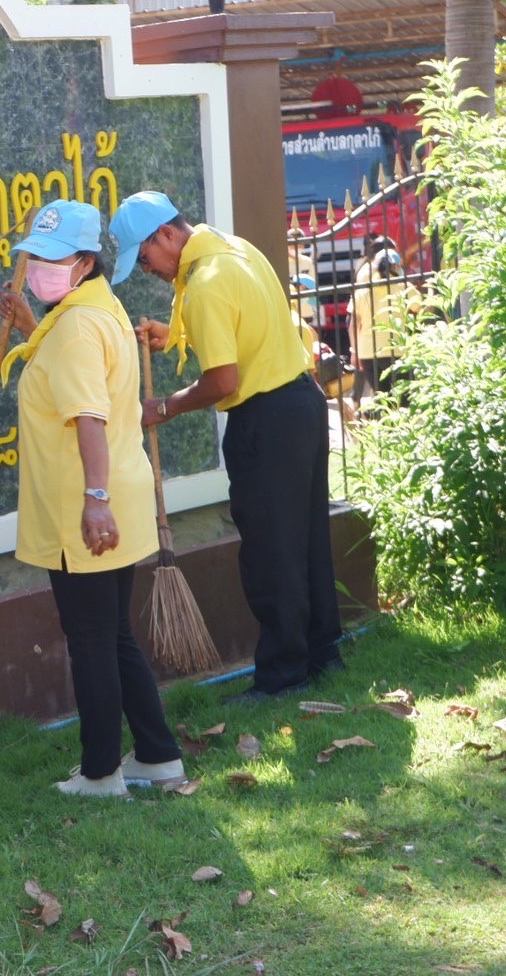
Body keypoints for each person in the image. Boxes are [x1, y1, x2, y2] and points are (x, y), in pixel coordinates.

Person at [112, 191, 343, 704]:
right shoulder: (232, 248)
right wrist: (174, 334)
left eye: (144, 259)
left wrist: (164, 406)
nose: (147, 271)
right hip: (302, 405)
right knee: (305, 539)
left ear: (165, 235)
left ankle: (283, 676)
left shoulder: (205, 284)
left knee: (270, 552)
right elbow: (242, 327)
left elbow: (221, 381)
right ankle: (323, 653)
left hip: (265, 420)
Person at [0, 200, 183, 797]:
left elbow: (88, 417)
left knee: (92, 642)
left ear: (84, 262)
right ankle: (157, 756)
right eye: (36, 256)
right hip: (114, 496)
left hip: (87, 507)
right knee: (113, 635)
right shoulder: (94, 308)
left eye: (55, 260)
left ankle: (101, 773)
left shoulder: (76, 324)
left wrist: (94, 498)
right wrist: (31, 326)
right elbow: (68, 365)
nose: (40, 268)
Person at [347, 234, 413, 403]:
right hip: (396, 348)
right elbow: (421, 307)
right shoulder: (402, 285)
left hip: (368, 349)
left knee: (381, 397)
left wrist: (354, 350)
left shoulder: (363, 287)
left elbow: (353, 322)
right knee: (402, 398)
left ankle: (358, 403)